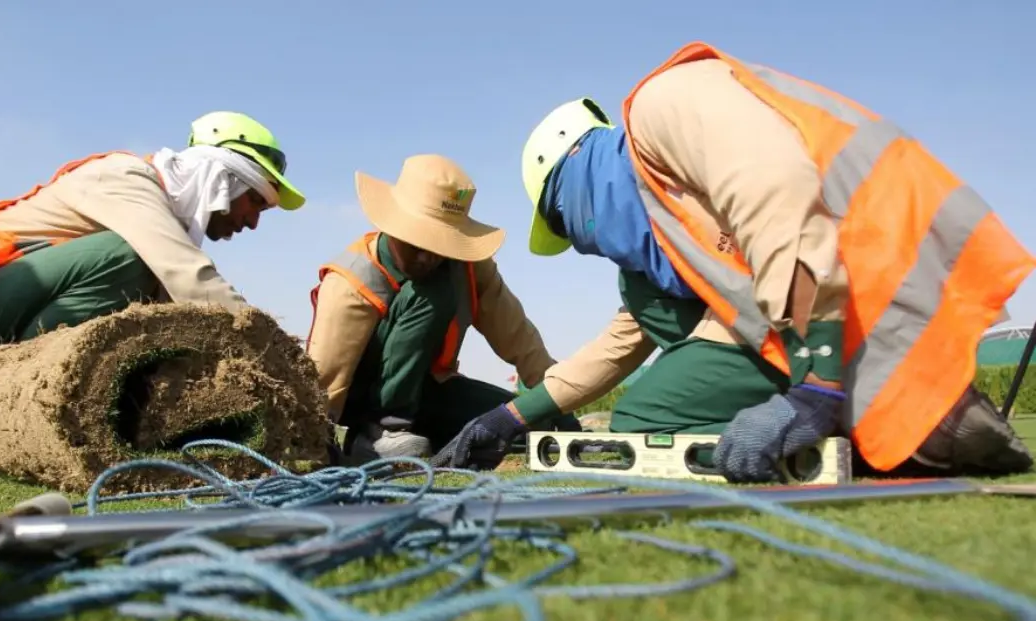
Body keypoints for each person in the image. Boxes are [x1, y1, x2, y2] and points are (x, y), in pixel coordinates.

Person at [433, 41, 1036, 482]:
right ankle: (912, 428)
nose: (582, 245)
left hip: (874, 272)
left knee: (643, 419)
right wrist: (510, 416)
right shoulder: (669, 237)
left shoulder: (662, 107)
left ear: (576, 183)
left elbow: (773, 187)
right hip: (856, 311)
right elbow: (615, 347)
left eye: (565, 225)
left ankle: (850, 419)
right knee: (645, 351)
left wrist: (819, 383)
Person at [0, 111, 305, 473]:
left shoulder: (155, 215)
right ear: (221, 179)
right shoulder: (124, 180)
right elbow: (191, 278)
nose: (252, 221)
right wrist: (287, 361)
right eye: (255, 202)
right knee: (129, 257)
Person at [305, 153, 579, 465]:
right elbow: (325, 379)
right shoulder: (351, 280)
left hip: (430, 391)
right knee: (434, 291)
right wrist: (318, 448)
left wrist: (558, 401)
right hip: (364, 401)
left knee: (527, 424)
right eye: (416, 245)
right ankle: (380, 433)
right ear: (393, 226)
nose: (427, 258)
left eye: (440, 246)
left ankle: (427, 440)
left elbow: (519, 338)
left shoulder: (472, 270)